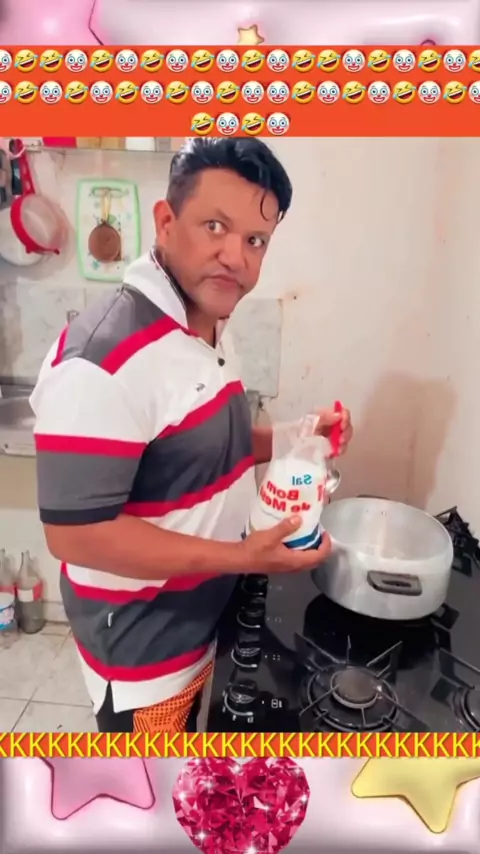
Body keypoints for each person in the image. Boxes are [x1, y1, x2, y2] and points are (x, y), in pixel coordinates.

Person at [30, 138, 353, 733]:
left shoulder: (205, 325)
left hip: (202, 622)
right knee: (152, 786)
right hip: (147, 659)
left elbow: (205, 444)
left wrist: (299, 437)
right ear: (165, 222)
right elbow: (76, 536)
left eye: (255, 240)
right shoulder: (102, 363)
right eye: (215, 227)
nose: (235, 256)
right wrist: (242, 558)